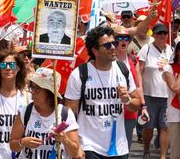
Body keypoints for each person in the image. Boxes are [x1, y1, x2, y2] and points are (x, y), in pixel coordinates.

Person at [65, 26, 141, 158]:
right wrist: (75, 145)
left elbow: (136, 104)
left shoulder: (122, 70)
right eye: (107, 45)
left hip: (119, 147)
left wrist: (127, 100)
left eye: (114, 43)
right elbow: (70, 114)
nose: (113, 47)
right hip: (89, 147)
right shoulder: (80, 74)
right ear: (95, 50)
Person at [11, 67, 80, 158]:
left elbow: (75, 153)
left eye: (38, 89)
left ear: (49, 93)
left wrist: (65, 140)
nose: (33, 92)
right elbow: (13, 146)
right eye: (32, 87)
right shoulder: (25, 112)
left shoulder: (65, 114)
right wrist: (22, 142)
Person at [136, 23, 173, 159]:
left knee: (164, 127)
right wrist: (139, 88)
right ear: (154, 35)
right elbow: (139, 71)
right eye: (159, 33)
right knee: (149, 126)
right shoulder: (146, 49)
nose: (162, 36)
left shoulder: (171, 50)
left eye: (164, 33)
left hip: (167, 95)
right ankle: (146, 150)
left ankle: (163, 156)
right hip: (149, 94)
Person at [113, 26, 140, 150]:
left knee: (125, 148)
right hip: (111, 111)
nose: (123, 41)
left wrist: (143, 106)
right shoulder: (108, 61)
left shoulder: (133, 60)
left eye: (126, 38)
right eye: (119, 38)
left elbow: (138, 86)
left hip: (129, 111)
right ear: (113, 41)